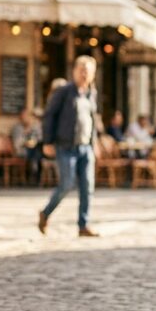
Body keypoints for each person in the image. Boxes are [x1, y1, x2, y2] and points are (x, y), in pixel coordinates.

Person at [38, 56, 100, 237]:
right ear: (74, 71)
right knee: (66, 184)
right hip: (66, 146)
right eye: (81, 70)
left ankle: (83, 224)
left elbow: (92, 120)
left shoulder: (91, 93)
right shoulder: (64, 92)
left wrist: (94, 143)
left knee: (87, 186)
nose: (84, 74)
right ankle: (46, 213)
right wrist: (48, 141)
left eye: (87, 71)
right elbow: (49, 116)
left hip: (85, 147)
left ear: (92, 74)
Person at [11, 108, 43, 184]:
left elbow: (40, 137)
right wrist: (25, 141)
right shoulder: (17, 128)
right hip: (21, 151)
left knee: (37, 152)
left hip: (33, 150)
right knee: (36, 154)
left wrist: (34, 140)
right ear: (21, 117)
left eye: (28, 116)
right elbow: (17, 143)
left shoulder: (34, 127)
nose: (26, 118)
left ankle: (35, 175)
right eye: (24, 116)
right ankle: (34, 175)